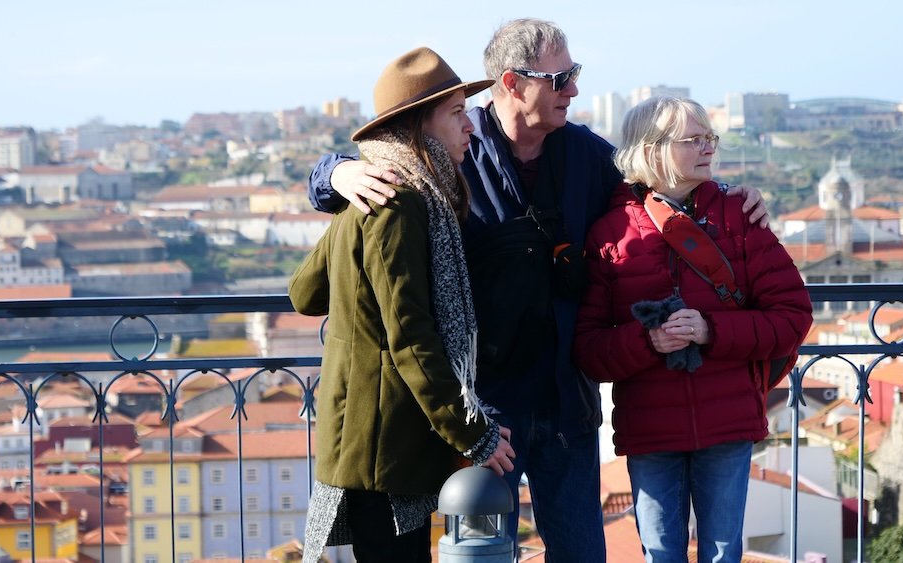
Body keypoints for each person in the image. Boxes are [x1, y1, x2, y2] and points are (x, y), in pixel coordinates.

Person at [308, 19, 768, 561]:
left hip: (564, 400)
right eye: (562, 78)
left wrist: (729, 197)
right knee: (479, 554)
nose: (574, 89)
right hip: (484, 410)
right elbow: (387, 168)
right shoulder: (452, 150)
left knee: (580, 553)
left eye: (574, 75)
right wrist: (334, 175)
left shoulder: (587, 157)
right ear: (512, 82)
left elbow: (657, 190)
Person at [288, 46, 516, 563]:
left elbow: (305, 292)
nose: (471, 128)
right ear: (420, 126)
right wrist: (473, 433)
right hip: (384, 444)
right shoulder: (399, 203)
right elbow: (411, 338)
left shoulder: (372, 194)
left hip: (372, 434)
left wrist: (343, 194)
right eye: (457, 114)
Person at [573, 96, 813, 563]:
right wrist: (649, 341)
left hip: (727, 425)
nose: (708, 148)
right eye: (694, 139)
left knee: (723, 555)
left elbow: (792, 317)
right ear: (653, 149)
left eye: (710, 138)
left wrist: (710, 331)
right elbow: (589, 349)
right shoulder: (609, 235)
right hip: (651, 429)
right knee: (662, 554)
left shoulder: (740, 217)